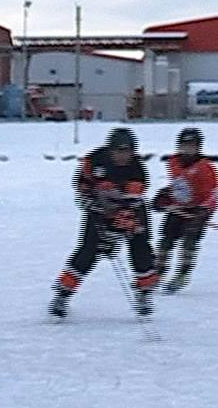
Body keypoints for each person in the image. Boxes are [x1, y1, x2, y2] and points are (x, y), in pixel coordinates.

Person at [50, 127, 157, 318]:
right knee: (88, 250)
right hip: (98, 210)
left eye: (128, 151)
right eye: (119, 151)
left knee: (141, 250)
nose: (124, 156)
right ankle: (63, 294)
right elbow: (81, 185)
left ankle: (144, 294)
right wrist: (90, 202)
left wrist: (118, 228)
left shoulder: (137, 168)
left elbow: (133, 197)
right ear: (110, 150)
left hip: (131, 210)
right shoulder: (93, 161)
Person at [152, 127, 218, 292]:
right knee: (166, 240)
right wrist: (165, 196)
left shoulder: (205, 167)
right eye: (184, 145)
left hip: (198, 211)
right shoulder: (173, 162)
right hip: (178, 208)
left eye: (192, 145)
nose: (187, 149)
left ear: (198, 147)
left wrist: (203, 212)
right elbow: (179, 184)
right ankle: (158, 272)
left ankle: (182, 274)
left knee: (189, 242)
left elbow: (213, 192)